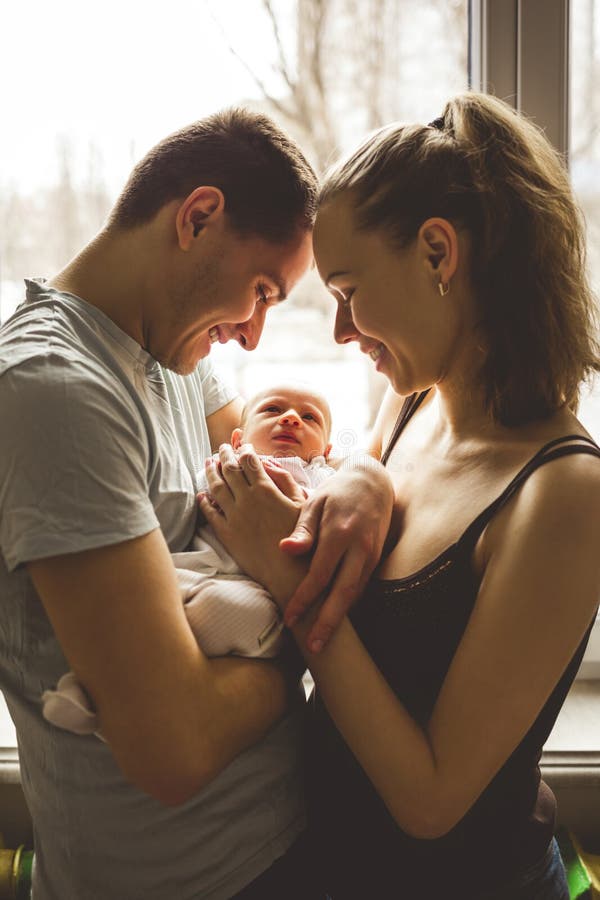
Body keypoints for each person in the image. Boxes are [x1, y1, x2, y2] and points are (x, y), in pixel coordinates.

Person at [199, 92, 600, 899]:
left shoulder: (564, 496)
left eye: (348, 289)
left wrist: (286, 582)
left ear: (438, 255)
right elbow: (367, 469)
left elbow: (430, 800)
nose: (342, 332)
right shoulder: (414, 398)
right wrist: (361, 475)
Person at [0, 106, 394, 900]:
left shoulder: (180, 358)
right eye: (260, 291)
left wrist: (364, 478)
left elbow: (287, 483)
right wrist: (302, 656)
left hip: (288, 839)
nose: (252, 337)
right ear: (199, 218)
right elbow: (173, 750)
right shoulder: (55, 394)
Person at [41, 382, 336, 737]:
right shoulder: (227, 461)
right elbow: (196, 492)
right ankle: (92, 679)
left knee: (223, 610)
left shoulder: (321, 479)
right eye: (272, 410)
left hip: (252, 590)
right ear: (239, 438)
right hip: (192, 568)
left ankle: (114, 697)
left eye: (309, 418)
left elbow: (330, 518)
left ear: (326, 449)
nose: (290, 418)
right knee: (132, 591)